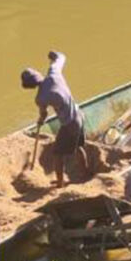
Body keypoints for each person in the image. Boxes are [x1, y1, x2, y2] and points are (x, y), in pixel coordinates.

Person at [21, 51, 89, 188]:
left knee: (58, 154)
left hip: (69, 123)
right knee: (78, 147)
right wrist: (53, 55)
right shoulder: (54, 73)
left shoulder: (40, 98)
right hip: (79, 114)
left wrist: (40, 121)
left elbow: (44, 114)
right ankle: (84, 174)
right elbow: (61, 57)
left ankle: (60, 184)